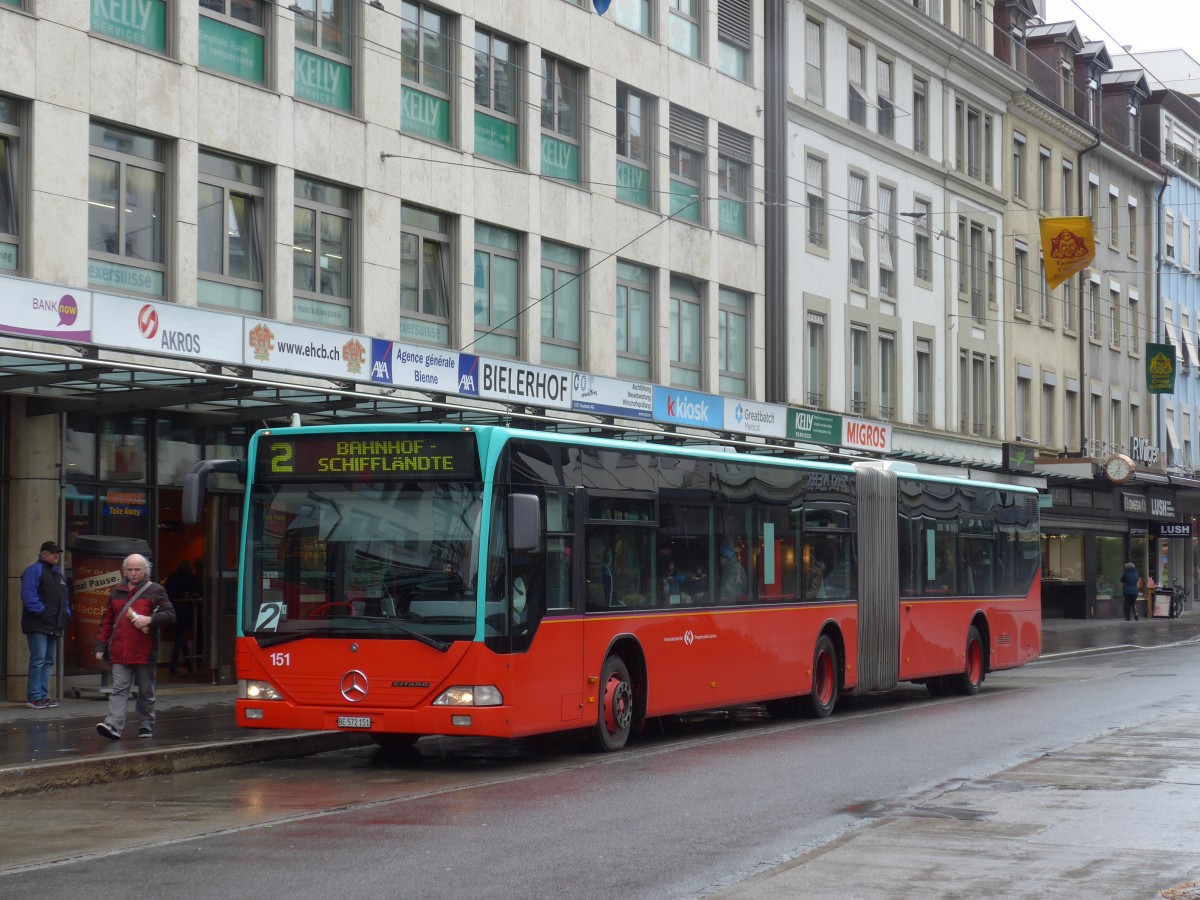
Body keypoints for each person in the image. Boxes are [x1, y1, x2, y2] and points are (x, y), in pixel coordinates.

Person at [94, 554, 176, 740]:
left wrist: (150, 619)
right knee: (119, 689)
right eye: (129, 570)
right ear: (124, 571)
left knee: (146, 691)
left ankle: (145, 725)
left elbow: (171, 615)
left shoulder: (155, 590)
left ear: (145, 570)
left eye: (137, 569)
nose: (133, 573)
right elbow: (107, 621)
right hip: (120, 651)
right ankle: (113, 725)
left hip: (145, 652)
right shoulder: (116, 591)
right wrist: (100, 644)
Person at [20, 540, 71, 709]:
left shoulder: (58, 574)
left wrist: (65, 614)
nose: (56, 555)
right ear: (43, 554)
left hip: (53, 624)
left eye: (57, 552)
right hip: (38, 624)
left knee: (47, 662)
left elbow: (65, 599)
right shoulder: (34, 570)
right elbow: (29, 598)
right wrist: (45, 613)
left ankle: (43, 695)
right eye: (52, 552)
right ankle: (34, 697)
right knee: (39, 660)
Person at [164, 560, 201, 674]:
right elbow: (197, 591)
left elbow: (167, 592)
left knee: (181, 638)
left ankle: (182, 665)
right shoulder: (192, 578)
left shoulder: (172, 577)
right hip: (187, 611)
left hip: (174, 610)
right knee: (181, 638)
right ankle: (185, 665)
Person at [717, 537, 747, 603]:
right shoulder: (727, 568)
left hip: (732, 604)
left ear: (726, 557)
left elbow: (737, 593)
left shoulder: (737, 569)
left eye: (721, 557)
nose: (719, 560)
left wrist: (725, 587)